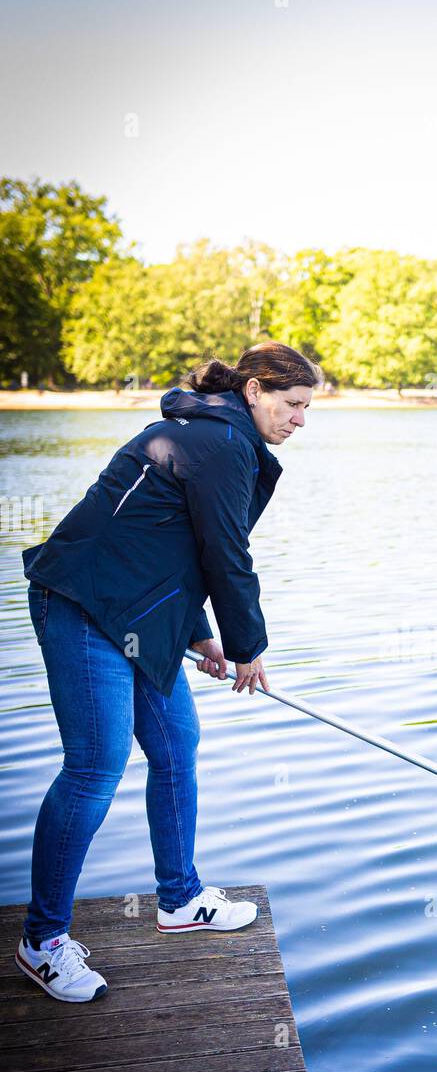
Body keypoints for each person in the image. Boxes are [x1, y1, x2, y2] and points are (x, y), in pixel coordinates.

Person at [16, 340, 323, 1002]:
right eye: (294, 405)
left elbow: (174, 553)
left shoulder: (217, 438)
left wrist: (203, 636)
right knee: (95, 769)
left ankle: (180, 899)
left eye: (306, 409)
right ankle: (41, 942)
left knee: (176, 744)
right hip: (82, 601)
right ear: (255, 392)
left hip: (136, 608)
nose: (301, 420)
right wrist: (247, 646)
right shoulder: (217, 444)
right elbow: (225, 555)